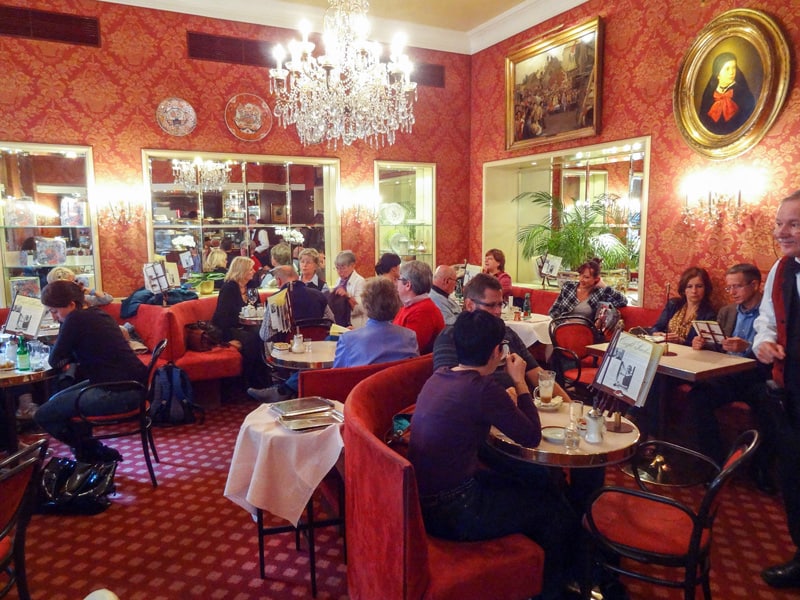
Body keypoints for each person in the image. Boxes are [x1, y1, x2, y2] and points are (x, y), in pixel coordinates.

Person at [410, 310, 579, 600]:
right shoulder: (483, 389)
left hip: (425, 502)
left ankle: (544, 575)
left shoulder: (440, 376)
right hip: (455, 511)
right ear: (496, 352)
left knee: (537, 484)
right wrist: (520, 381)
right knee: (555, 512)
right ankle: (552, 591)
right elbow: (531, 436)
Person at [34, 280, 148, 463]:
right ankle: (93, 453)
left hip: (119, 392)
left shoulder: (75, 319)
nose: (54, 316)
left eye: (55, 311)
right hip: (133, 386)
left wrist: (67, 349)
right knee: (57, 402)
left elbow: (54, 360)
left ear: (72, 304)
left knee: (43, 415)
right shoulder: (97, 313)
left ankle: (92, 453)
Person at [688, 264, 774, 489]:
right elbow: (719, 347)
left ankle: (761, 470)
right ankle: (714, 463)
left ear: (755, 285)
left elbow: (778, 351)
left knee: (769, 405)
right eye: (729, 288)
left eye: (737, 286)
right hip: (730, 374)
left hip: (758, 375)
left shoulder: (771, 312)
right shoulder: (727, 311)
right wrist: (703, 343)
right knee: (698, 395)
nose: (732, 292)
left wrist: (748, 347)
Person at [753, 190, 800, 589]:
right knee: (794, 477)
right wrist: (763, 344)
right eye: (779, 223)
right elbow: (766, 322)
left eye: (794, 224)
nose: (781, 232)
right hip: (791, 391)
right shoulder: (781, 270)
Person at [250, 265, 334, 402]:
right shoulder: (318, 295)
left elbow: (265, 334)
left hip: (289, 352)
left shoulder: (276, 299)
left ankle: (279, 387)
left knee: (263, 340)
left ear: (278, 280)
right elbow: (331, 321)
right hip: (318, 351)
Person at [211, 256, 270, 390]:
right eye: (250, 269)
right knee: (253, 338)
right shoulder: (229, 288)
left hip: (247, 326)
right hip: (228, 328)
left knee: (263, 334)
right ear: (241, 271)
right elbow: (222, 318)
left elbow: (258, 307)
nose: (254, 271)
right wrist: (227, 340)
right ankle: (252, 383)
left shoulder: (251, 285)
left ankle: (265, 379)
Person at [333, 277, 419, 368]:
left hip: (360, 382)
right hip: (398, 381)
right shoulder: (410, 337)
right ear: (397, 303)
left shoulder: (348, 340)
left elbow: (337, 376)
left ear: (365, 304)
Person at [548, 258, 627, 325]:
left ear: (596, 279)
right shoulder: (568, 286)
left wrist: (605, 287)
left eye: (586, 277)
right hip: (562, 327)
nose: (581, 279)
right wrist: (564, 322)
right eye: (580, 275)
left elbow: (623, 301)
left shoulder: (600, 293)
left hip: (585, 331)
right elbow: (553, 310)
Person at [652, 266, 716, 345]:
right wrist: (656, 334)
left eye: (699, 286)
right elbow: (656, 327)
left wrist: (682, 341)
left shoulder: (709, 315)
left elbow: (706, 346)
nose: (694, 291)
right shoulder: (673, 304)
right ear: (683, 289)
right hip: (665, 349)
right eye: (689, 286)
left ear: (706, 289)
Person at [393, 260, 445, 355]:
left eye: (398, 279)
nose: (396, 283)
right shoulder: (412, 305)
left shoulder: (423, 312)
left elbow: (407, 352)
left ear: (408, 285)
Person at [698, 52, 756, 136]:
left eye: (734, 68)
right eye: (727, 69)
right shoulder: (709, 95)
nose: (732, 72)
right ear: (718, 73)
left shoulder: (743, 93)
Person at [329, 250, 367, 329]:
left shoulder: (360, 281)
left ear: (352, 266)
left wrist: (347, 295)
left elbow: (360, 309)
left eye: (343, 268)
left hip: (355, 323)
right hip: (340, 322)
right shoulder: (338, 281)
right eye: (337, 268)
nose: (340, 272)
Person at [46, 266, 113, 307]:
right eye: (72, 282)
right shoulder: (51, 301)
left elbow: (107, 299)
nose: (75, 284)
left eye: (75, 281)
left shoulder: (82, 299)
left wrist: (91, 291)